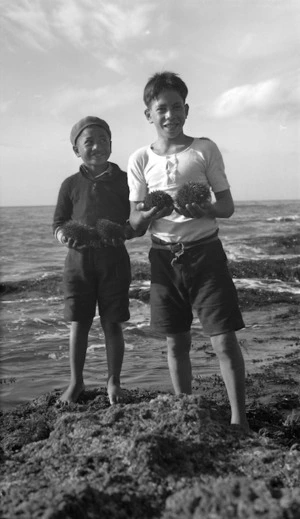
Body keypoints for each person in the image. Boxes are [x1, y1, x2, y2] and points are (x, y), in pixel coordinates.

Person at [127, 72, 249, 430]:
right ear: (148, 114)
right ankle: (184, 414)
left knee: (224, 340)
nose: (170, 115)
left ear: (187, 109)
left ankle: (239, 420)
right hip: (164, 259)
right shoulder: (139, 159)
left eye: (176, 107)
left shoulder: (204, 149)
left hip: (206, 254)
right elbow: (135, 224)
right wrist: (150, 213)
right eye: (161, 108)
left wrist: (204, 209)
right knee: (176, 342)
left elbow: (225, 206)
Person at [53, 116, 138, 405]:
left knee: (113, 323)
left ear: (111, 145)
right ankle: (76, 381)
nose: (97, 146)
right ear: (76, 150)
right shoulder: (70, 185)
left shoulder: (126, 180)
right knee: (79, 322)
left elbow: (134, 221)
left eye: (103, 140)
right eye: (89, 141)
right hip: (78, 265)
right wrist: (65, 236)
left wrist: (124, 232)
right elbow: (59, 223)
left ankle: (114, 381)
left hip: (114, 261)